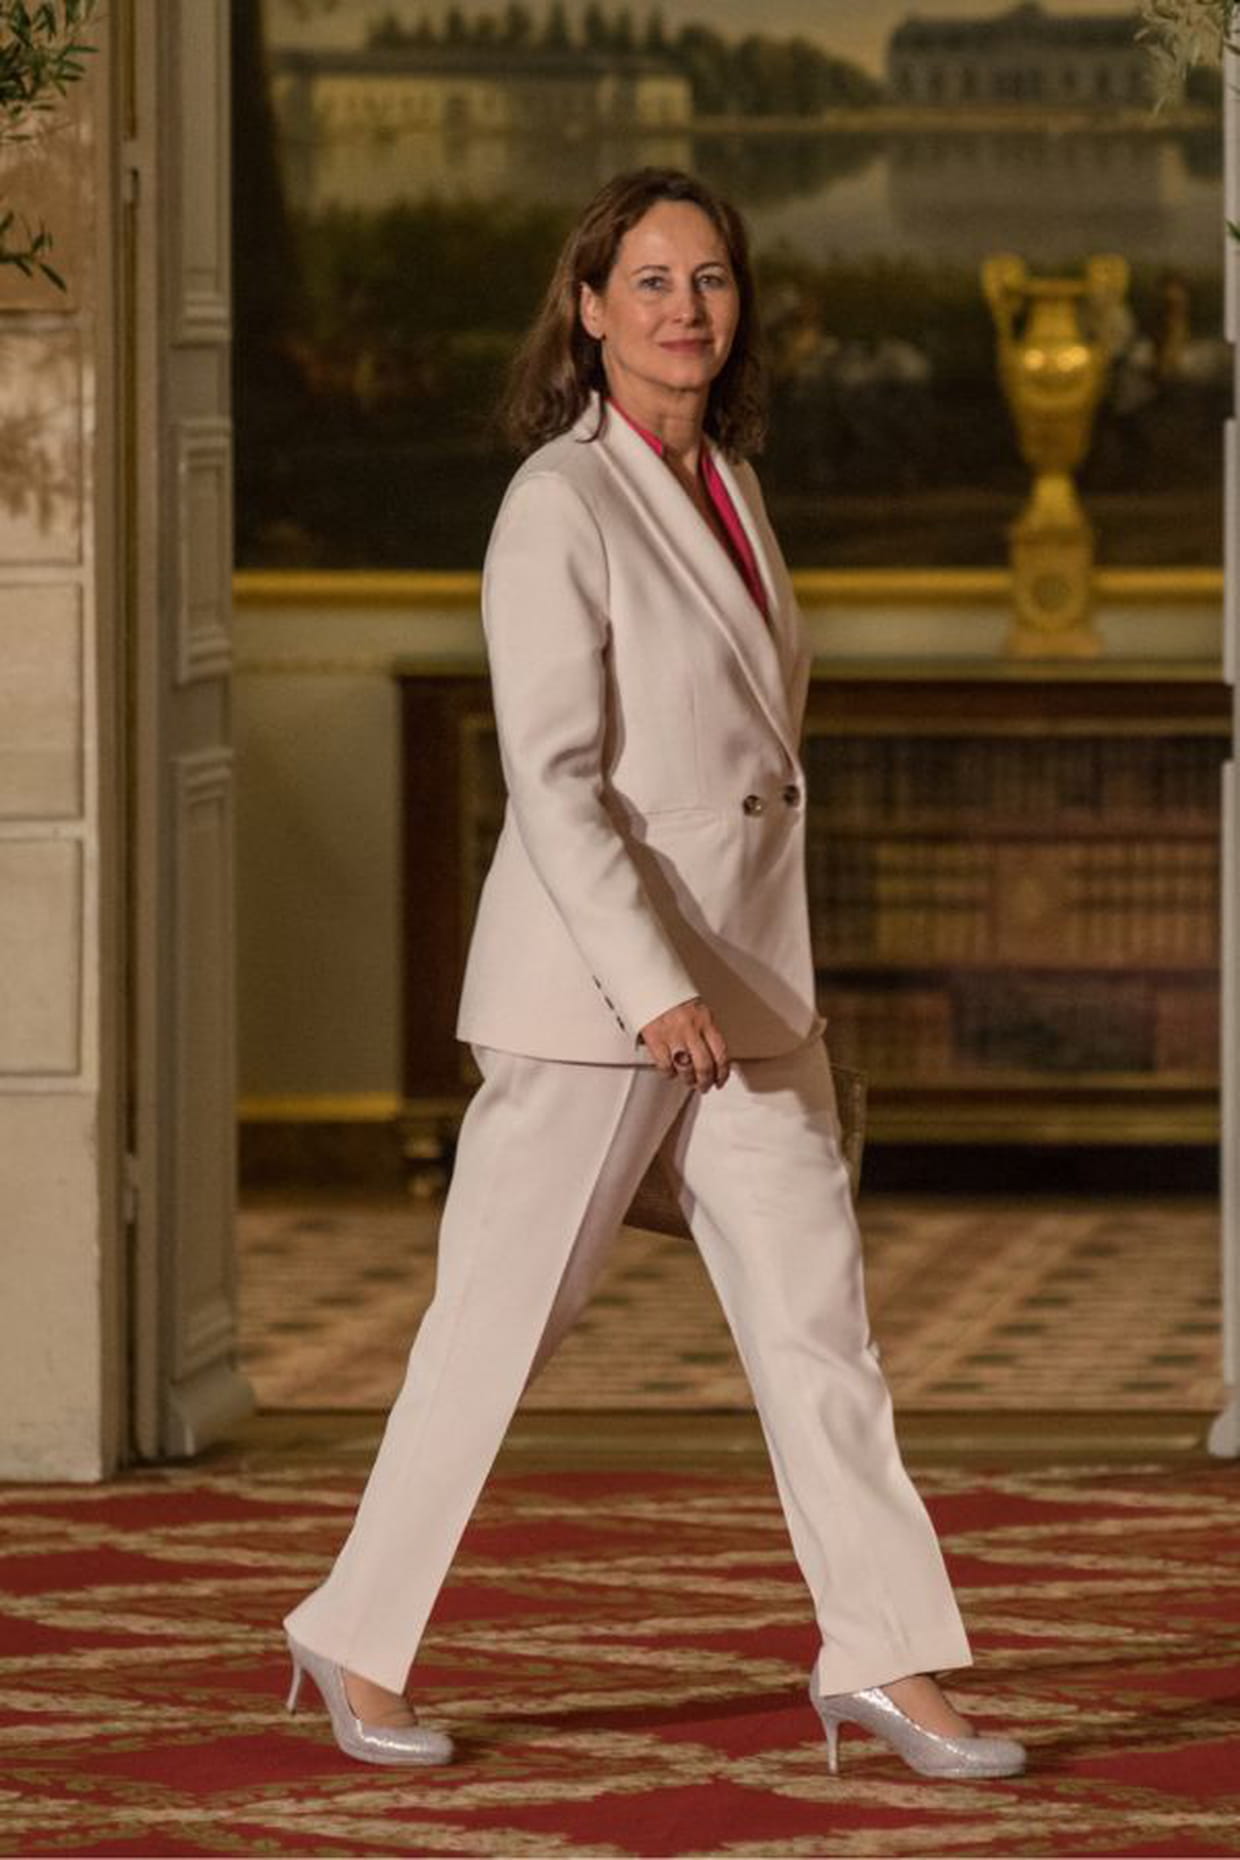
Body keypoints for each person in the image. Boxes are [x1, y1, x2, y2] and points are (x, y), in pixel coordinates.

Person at [282, 167, 1027, 1783]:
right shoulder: (558, 502)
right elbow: (554, 784)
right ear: (589, 309)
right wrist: (652, 986)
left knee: (824, 1336)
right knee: (495, 1333)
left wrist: (725, 983)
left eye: (711, 280)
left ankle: (885, 1661)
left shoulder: (733, 481)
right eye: (652, 281)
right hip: (598, 1001)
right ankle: (352, 1636)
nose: (686, 308)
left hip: (750, 988)